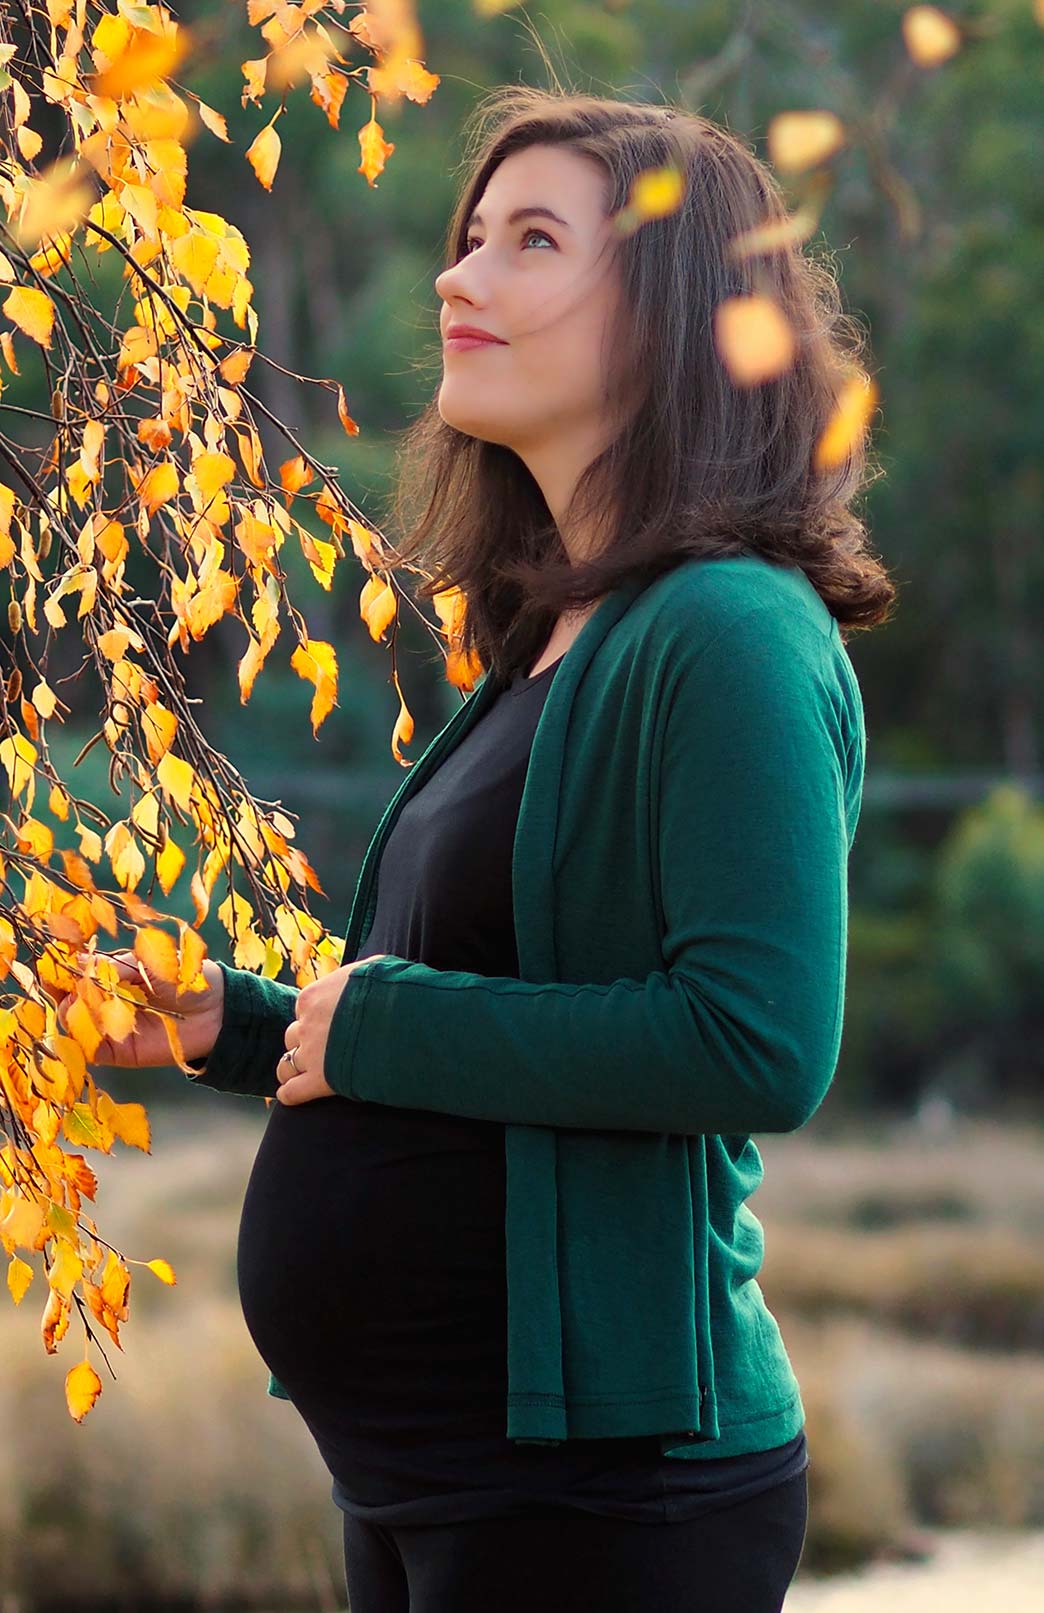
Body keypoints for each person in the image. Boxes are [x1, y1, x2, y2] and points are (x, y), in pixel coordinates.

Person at [62, 88, 896, 1613]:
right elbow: (471, 1009)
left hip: (606, 1490)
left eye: (530, 241)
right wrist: (241, 1024)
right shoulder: (549, 637)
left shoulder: (728, 633)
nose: (458, 277)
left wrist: (381, 1020)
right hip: (431, 1475)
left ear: (675, 314)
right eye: (467, 239)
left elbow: (754, 1042)